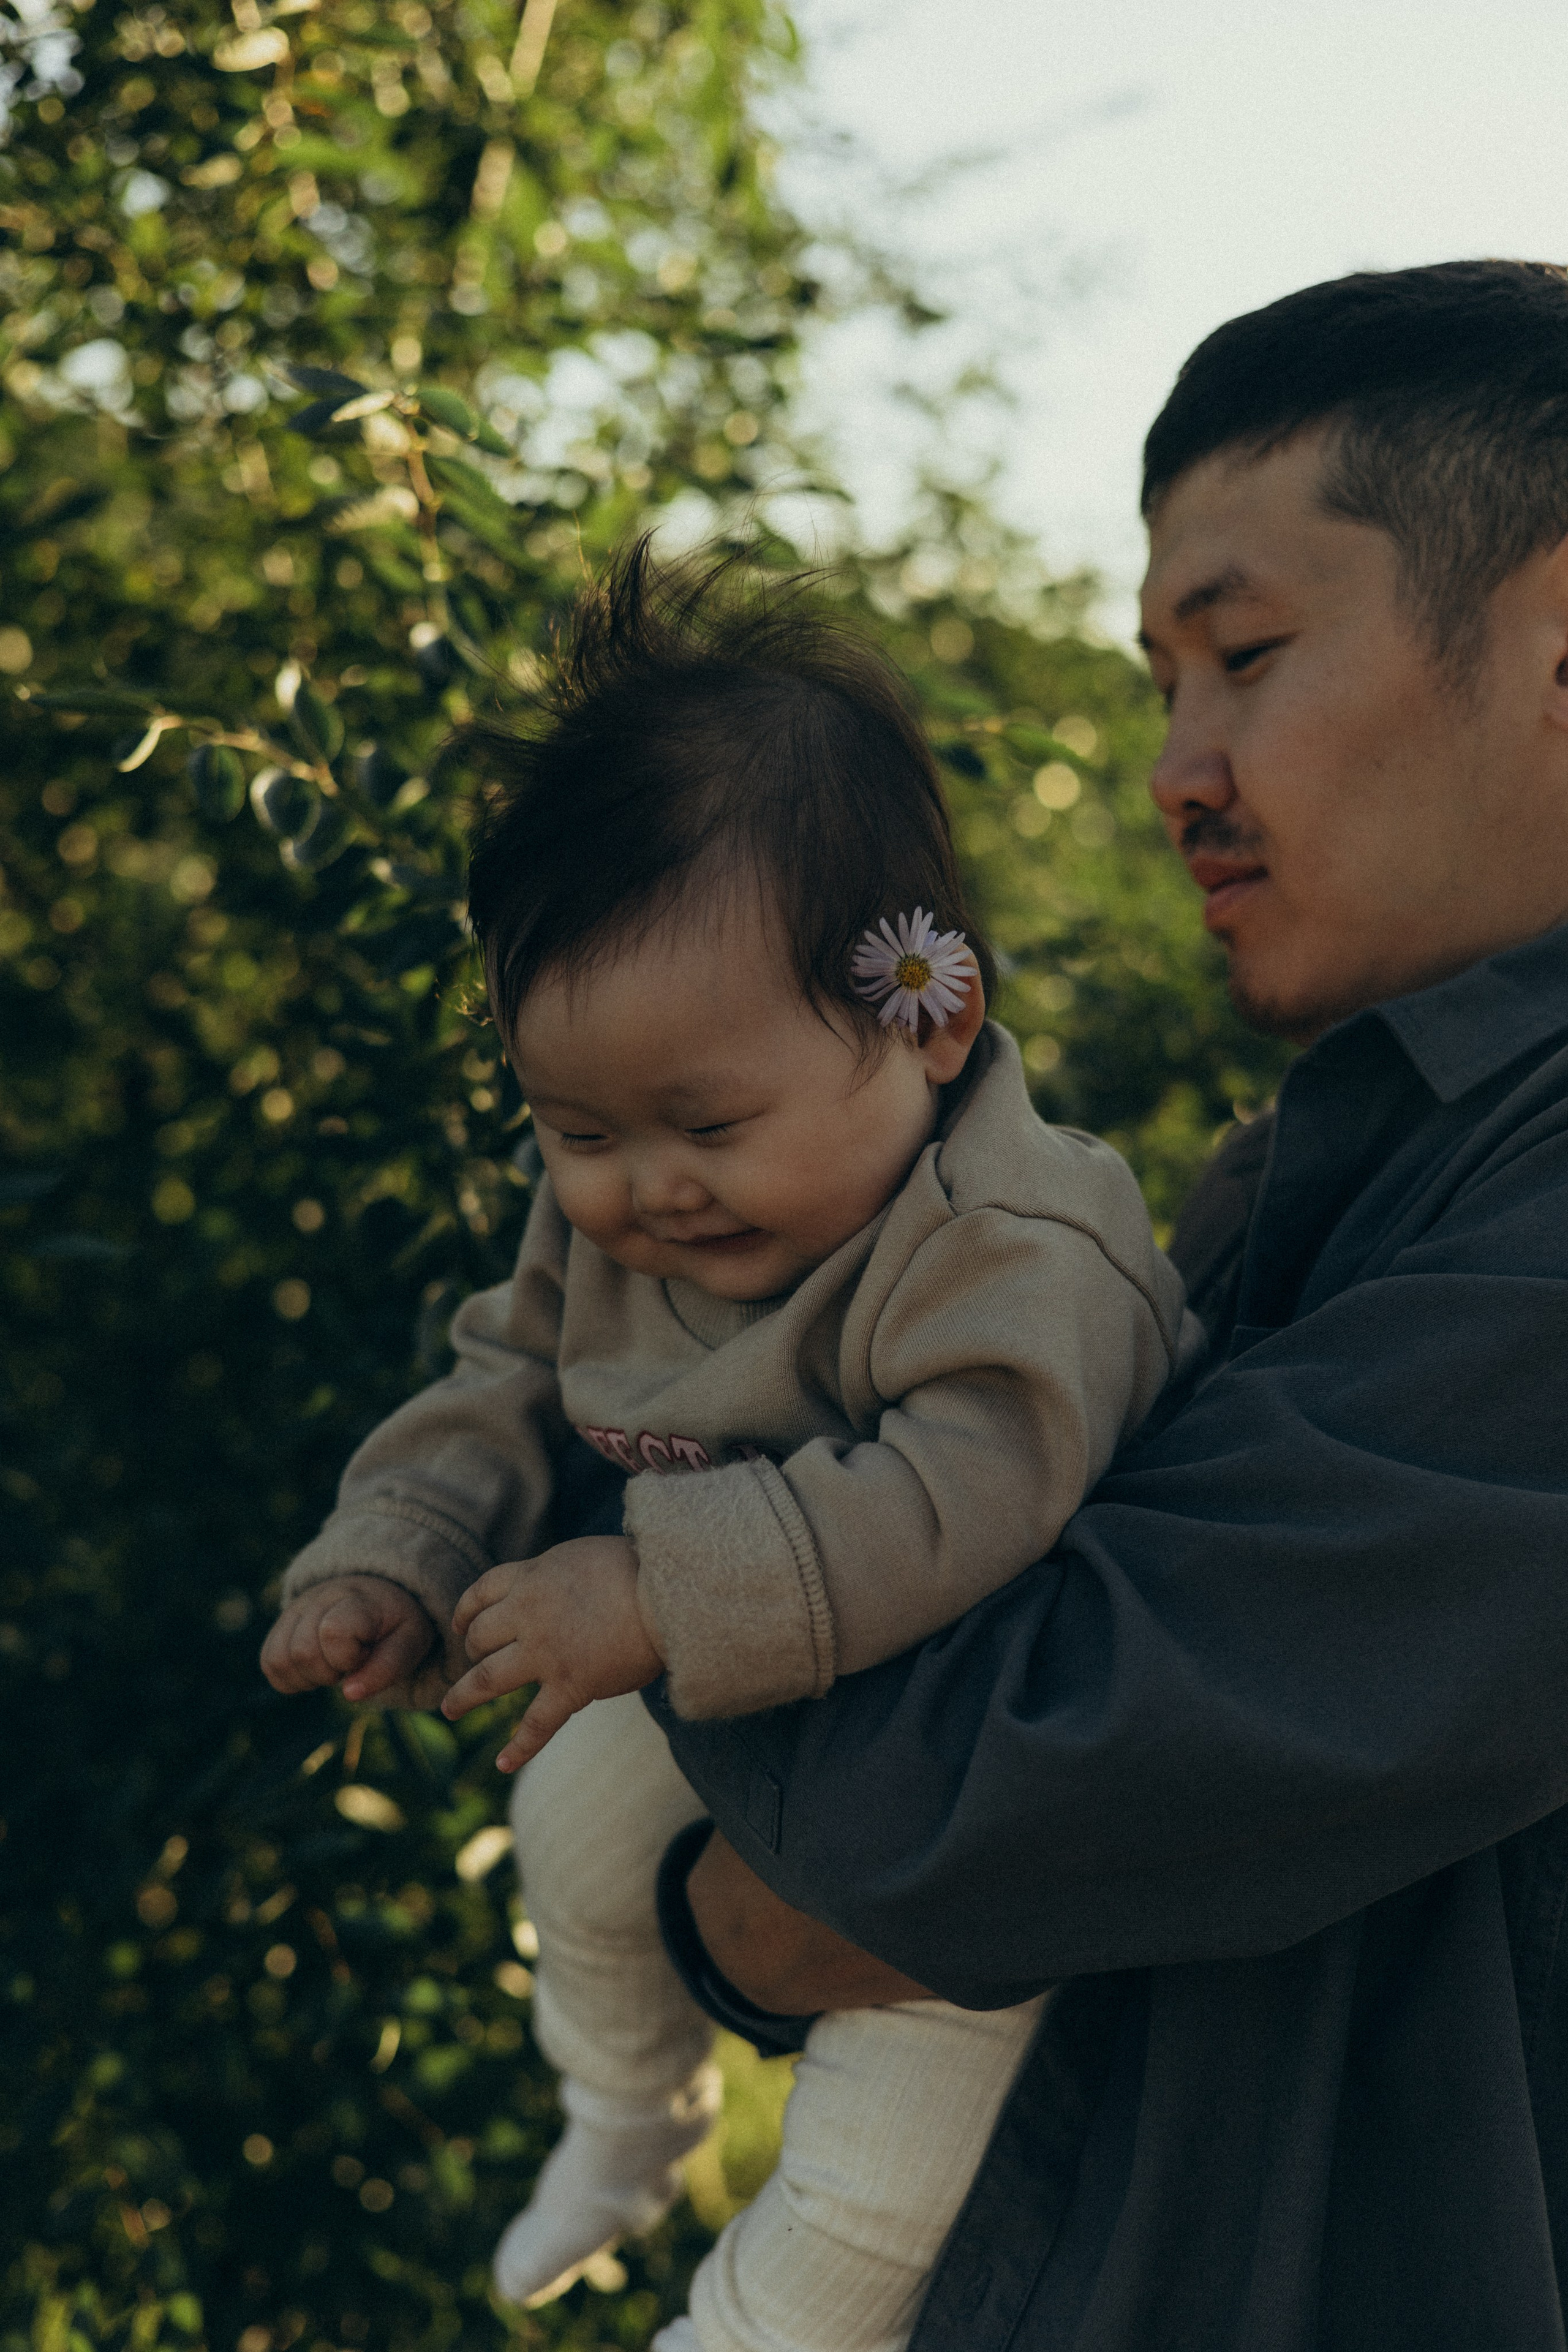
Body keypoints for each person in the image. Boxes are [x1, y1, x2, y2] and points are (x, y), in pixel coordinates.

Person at [646, 258, 1568, 2351]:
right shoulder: (1340, 1166)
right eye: (1162, 681)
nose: (1175, 768)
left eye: (1241, 655)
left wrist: (722, 1867)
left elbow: (959, 1801)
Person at [259, 548, 1193, 2348]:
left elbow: (972, 1492)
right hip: (762, 1694)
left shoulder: (1011, 1244)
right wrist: (399, 1550)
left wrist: (653, 1583)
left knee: (866, 2183)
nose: (643, 1187)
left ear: (929, 1021)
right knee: (570, 1827)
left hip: (997, 1775)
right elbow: (505, 1381)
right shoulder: (618, 1223)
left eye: (708, 1122)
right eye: (577, 1124)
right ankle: (627, 2116)